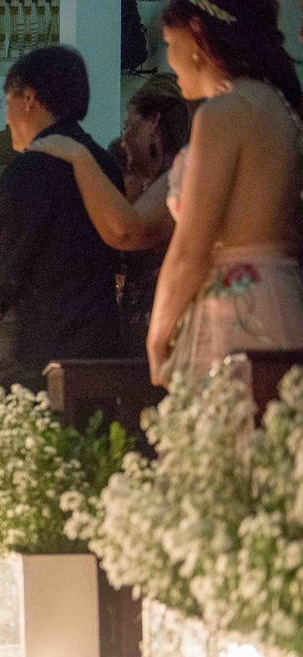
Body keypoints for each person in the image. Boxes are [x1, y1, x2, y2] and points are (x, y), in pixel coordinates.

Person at [144, 0, 303, 386]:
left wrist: (158, 335)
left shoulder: (225, 113)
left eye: (168, 42)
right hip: (281, 293)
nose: (169, 58)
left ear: (196, 33)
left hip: (235, 306)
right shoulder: (281, 109)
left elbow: (191, 250)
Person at [0, 45, 125, 390]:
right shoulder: (104, 163)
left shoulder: (31, 168)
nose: (6, 117)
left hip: (33, 353)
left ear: (28, 99)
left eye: (6, 102)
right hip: (98, 345)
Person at [27, 74, 190, 356]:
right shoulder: (157, 182)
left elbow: (127, 232)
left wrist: (79, 156)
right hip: (138, 320)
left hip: (166, 321)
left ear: (153, 122)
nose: (124, 138)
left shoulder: (179, 175)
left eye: (129, 124)